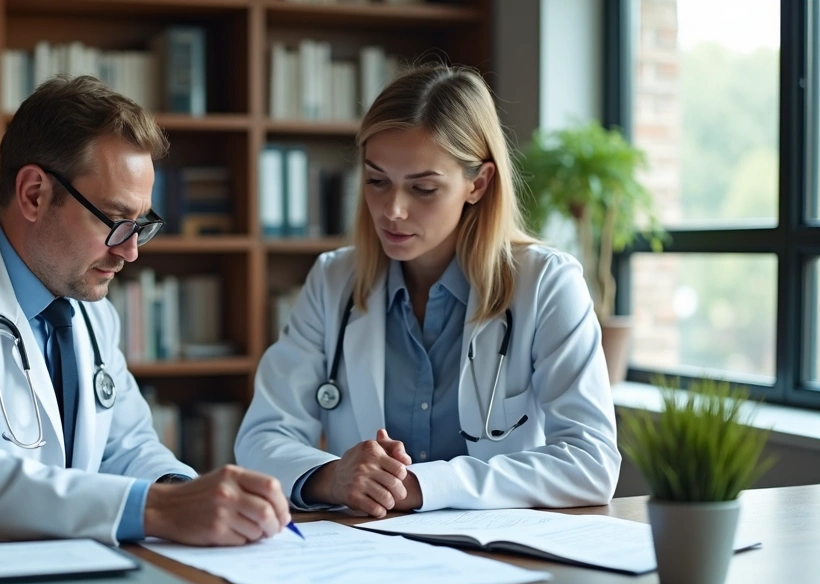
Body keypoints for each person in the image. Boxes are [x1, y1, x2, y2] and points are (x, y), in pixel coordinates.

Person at [0, 76, 290, 546]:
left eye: (141, 224)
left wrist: (183, 492)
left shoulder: (89, 308)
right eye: (115, 221)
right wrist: (161, 509)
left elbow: (128, 449)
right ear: (34, 194)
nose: (131, 252)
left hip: (42, 574)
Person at [235, 64, 621, 518]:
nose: (392, 210)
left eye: (423, 188)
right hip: (365, 553)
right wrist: (335, 477)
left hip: (498, 558)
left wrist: (424, 485)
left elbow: (591, 462)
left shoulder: (546, 285)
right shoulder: (333, 281)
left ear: (477, 184)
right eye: (377, 181)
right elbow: (261, 438)